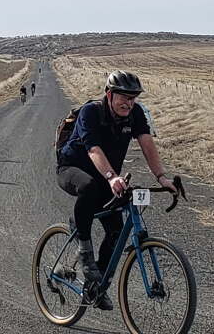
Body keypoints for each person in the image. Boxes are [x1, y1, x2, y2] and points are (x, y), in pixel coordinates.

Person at [56, 70, 177, 311]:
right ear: (109, 94)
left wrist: (162, 177)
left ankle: (95, 286)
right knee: (89, 187)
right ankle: (83, 248)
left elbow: (147, 143)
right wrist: (112, 177)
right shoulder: (91, 113)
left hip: (107, 177)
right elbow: (93, 149)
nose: (129, 103)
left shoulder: (136, 114)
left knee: (116, 233)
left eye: (133, 98)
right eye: (123, 97)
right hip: (72, 168)